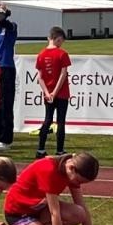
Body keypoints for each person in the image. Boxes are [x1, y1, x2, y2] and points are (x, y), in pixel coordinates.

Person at [0, 152, 101, 225]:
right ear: (72, 168)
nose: (78, 184)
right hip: (18, 213)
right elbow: (55, 213)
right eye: (78, 181)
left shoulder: (70, 172)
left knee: (79, 213)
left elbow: (82, 206)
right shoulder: (49, 170)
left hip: (39, 210)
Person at [35, 26, 71, 157]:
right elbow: (63, 74)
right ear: (58, 39)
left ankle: (40, 148)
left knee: (47, 119)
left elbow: (40, 77)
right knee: (60, 121)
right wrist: (55, 92)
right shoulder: (62, 54)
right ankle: (60, 150)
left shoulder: (41, 54)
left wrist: (46, 92)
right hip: (61, 93)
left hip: (48, 93)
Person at [0, 2, 18, 149]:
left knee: (6, 103)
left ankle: (6, 139)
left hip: (6, 68)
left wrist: (4, 12)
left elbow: (8, 24)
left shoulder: (10, 27)